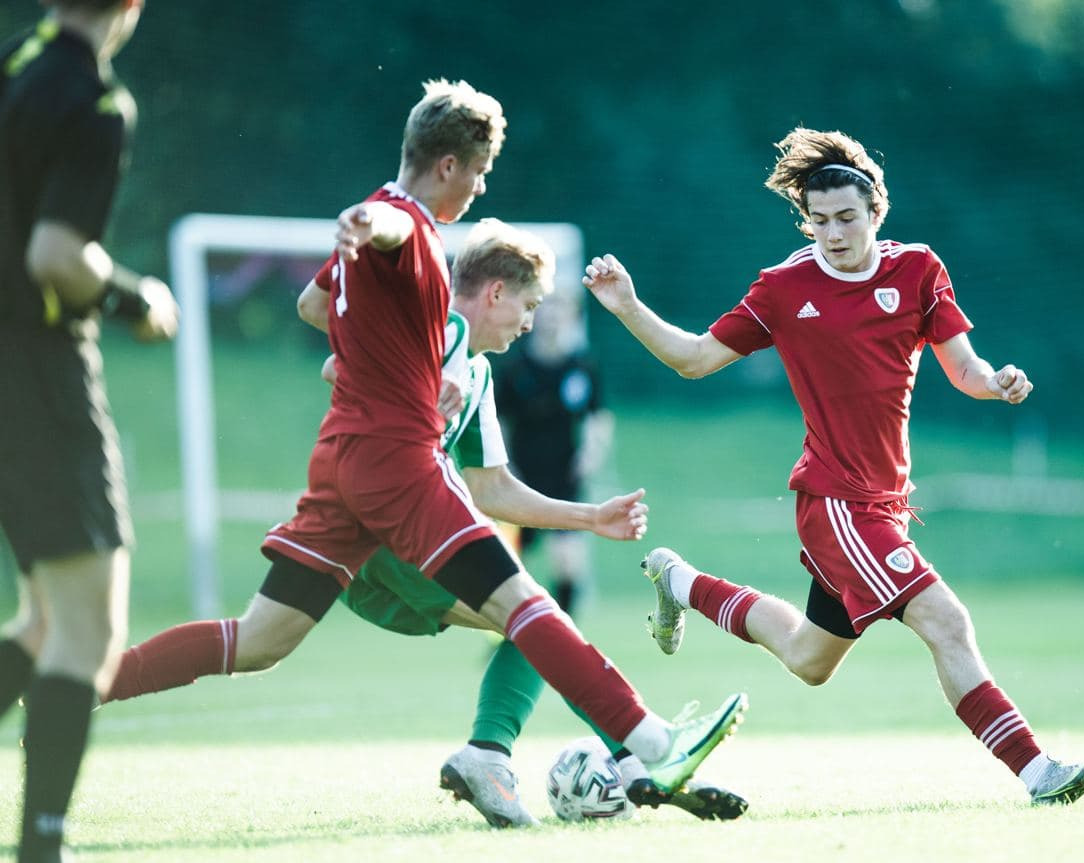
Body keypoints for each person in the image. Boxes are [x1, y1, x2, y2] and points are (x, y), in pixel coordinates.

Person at [97, 78, 747, 824]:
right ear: (447, 166)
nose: (480, 187)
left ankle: (81, 683)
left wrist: (381, 353)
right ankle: (653, 744)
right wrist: (367, 227)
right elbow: (387, 227)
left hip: (342, 459)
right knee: (529, 607)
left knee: (259, 641)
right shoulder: (407, 223)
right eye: (480, 172)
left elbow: (314, 304)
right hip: (399, 462)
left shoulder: (397, 258)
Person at [582, 127, 1084, 807]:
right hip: (837, 503)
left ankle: (678, 579)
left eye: (846, 218)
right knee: (946, 621)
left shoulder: (918, 270)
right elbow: (694, 358)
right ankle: (1039, 773)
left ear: (875, 212)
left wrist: (996, 381)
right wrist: (628, 306)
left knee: (809, 659)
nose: (832, 234)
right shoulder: (784, 287)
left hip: (885, 503)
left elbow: (964, 369)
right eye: (819, 220)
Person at [0, 0, 181, 859]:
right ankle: (42, 846)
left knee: (44, 620)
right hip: (36, 372)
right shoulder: (97, 101)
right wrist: (135, 298)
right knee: (89, 628)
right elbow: (56, 255)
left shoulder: (12, 61)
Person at [495, 286, 613, 616]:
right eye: (546, 310)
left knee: (568, 562)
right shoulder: (515, 367)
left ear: (571, 318)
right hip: (520, 479)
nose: (552, 318)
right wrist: (503, 465)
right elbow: (498, 421)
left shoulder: (582, 367)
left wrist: (591, 454)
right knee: (510, 565)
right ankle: (510, 632)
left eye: (560, 311)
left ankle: (564, 629)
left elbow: (598, 417)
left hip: (565, 476)